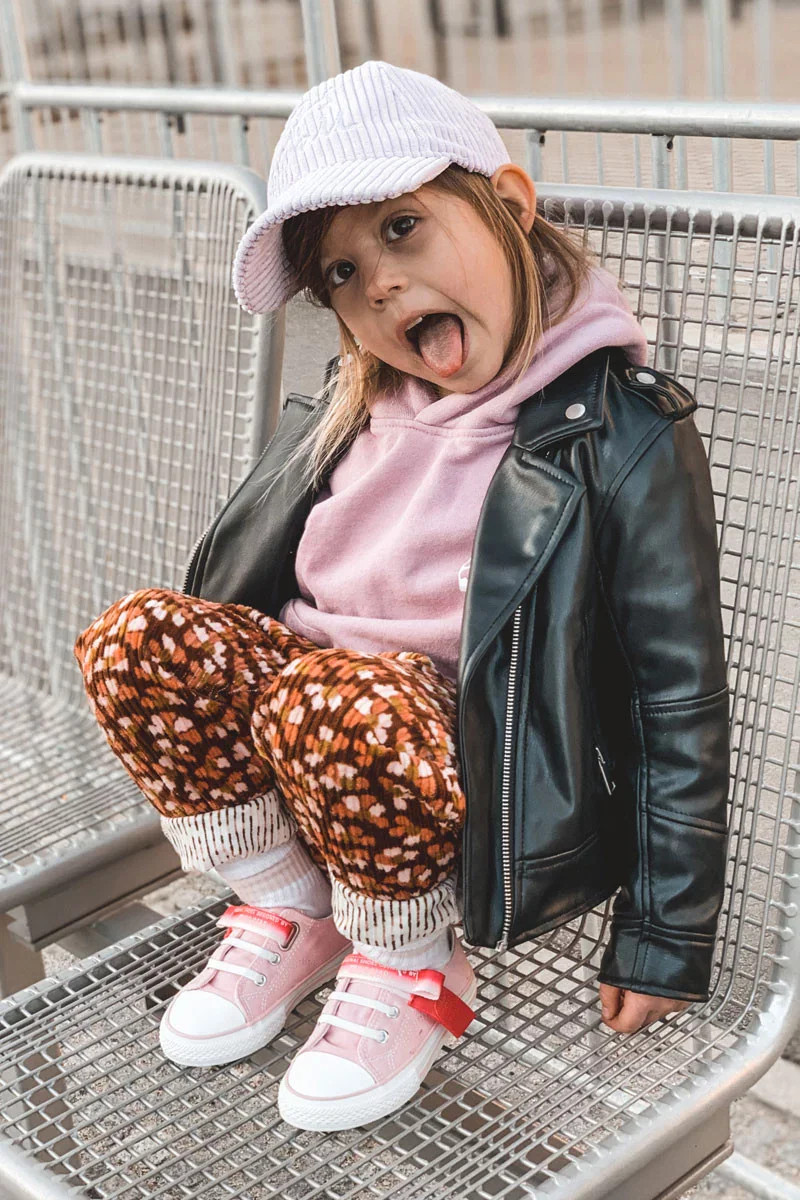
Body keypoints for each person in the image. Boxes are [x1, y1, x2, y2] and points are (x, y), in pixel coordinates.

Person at [73, 60, 730, 1133]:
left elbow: (677, 695)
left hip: (456, 775)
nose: (375, 282)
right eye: (340, 270)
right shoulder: (354, 403)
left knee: (338, 700)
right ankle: (295, 909)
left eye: (402, 229)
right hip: (308, 752)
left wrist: (665, 934)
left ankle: (410, 960)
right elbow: (238, 591)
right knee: (136, 637)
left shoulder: (620, 432)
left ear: (508, 205)